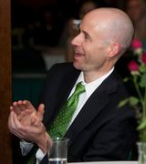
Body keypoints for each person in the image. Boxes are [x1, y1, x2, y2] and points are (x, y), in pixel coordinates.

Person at [8, 8, 136, 164]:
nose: (74, 41)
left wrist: (43, 140)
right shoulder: (59, 75)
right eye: (79, 32)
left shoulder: (122, 110)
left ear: (111, 49)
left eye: (86, 37)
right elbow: (27, 149)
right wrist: (26, 134)